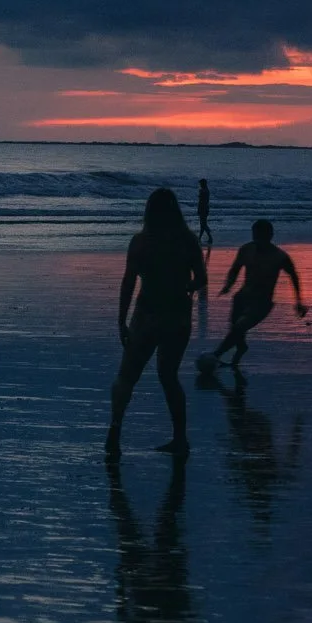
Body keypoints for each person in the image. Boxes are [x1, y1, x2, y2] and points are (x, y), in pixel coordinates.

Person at [108, 188, 208, 458]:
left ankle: (115, 431)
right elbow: (201, 279)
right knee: (169, 376)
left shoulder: (141, 242)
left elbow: (129, 282)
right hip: (177, 316)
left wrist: (121, 320)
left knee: (127, 376)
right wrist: (187, 286)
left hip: (147, 315)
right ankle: (180, 438)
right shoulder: (187, 240)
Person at [198, 220, 309, 374]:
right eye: (256, 236)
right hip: (242, 298)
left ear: (270, 236)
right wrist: (229, 284)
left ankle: (216, 355)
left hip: (262, 302)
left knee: (239, 327)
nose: (258, 240)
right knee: (236, 329)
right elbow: (235, 269)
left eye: (262, 236)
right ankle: (240, 351)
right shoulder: (246, 250)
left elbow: (294, 276)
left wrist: (298, 301)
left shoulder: (280, 256)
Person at [195, 179, 214, 252]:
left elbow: (201, 202)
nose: (200, 185)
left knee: (203, 224)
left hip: (203, 209)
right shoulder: (206, 191)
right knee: (202, 224)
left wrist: (199, 209)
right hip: (205, 208)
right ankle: (200, 238)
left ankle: (209, 237)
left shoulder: (203, 191)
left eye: (200, 183)